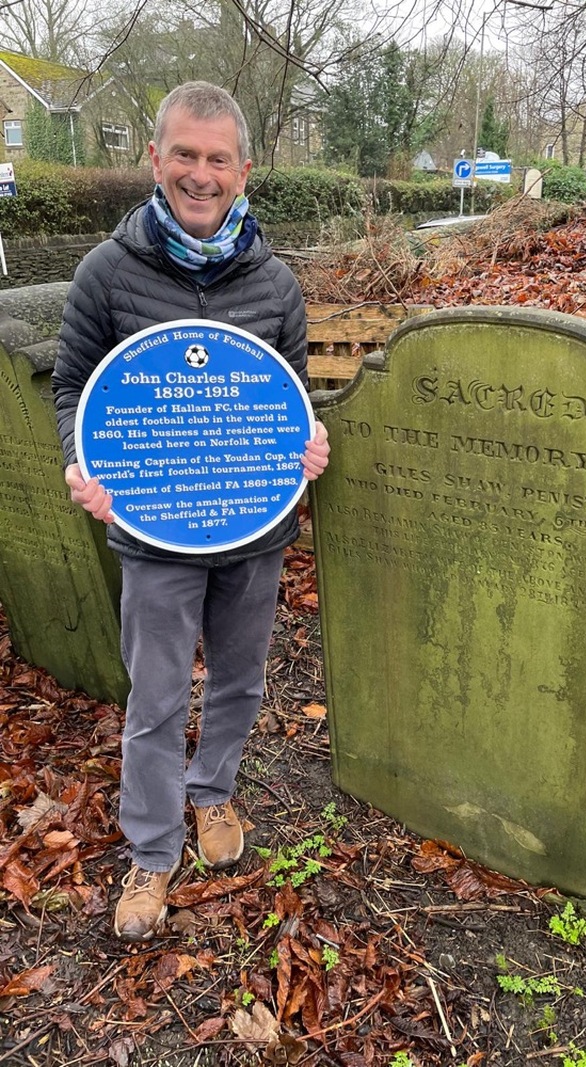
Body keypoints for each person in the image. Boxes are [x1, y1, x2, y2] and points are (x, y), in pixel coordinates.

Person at [51, 81, 330, 942]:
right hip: (153, 528)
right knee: (158, 694)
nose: (199, 174)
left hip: (253, 526)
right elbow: (74, 387)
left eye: (217, 159)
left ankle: (213, 793)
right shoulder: (106, 271)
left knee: (242, 679)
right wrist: (78, 459)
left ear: (243, 171)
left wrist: (309, 440)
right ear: (155, 159)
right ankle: (151, 845)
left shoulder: (277, 284)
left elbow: (288, 396)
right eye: (184, 155)